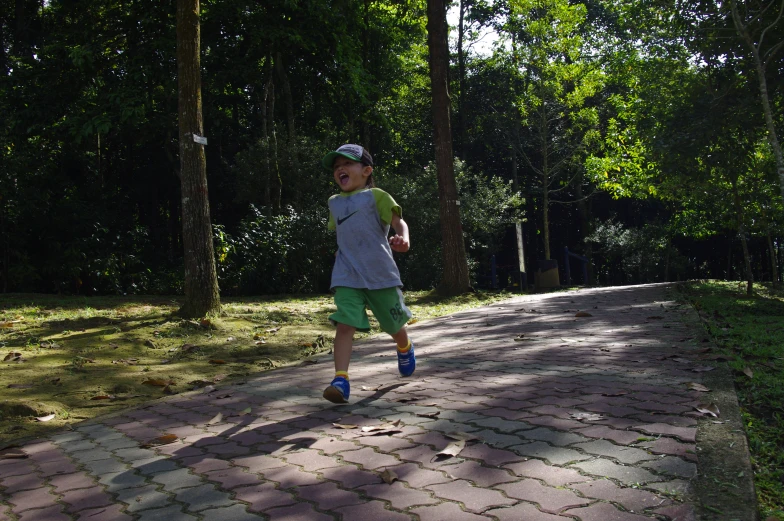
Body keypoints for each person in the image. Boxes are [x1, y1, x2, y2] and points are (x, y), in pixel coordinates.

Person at [321, 144, 415, 404]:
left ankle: (404, 346)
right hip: (346, 275)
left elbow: (398, 222)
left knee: (393, 325)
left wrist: (403, 239)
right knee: (345, 324)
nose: (340, 168)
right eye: (336, 166)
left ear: (366, 170)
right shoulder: (334, 203)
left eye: (347, 164)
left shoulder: (377, 196)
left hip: (380, 275)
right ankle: (341, 380)